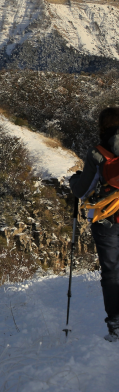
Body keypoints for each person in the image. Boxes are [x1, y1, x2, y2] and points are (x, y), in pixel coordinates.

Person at [70, 107, 119, 342]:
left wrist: (74, 180)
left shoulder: (97, 153)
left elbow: (82, 190)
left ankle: (116, 325)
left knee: (111, 272)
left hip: (107, 220)